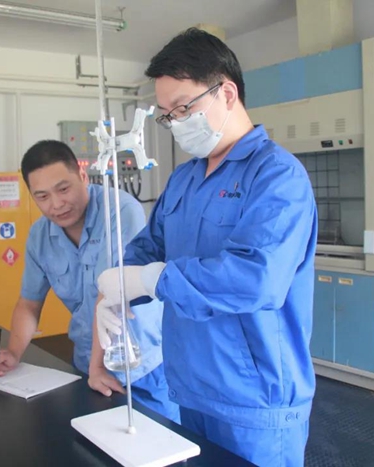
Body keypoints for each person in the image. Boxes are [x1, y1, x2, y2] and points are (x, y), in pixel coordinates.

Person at [95, 28, 317, 466]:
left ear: (227, 93)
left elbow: (256, 279)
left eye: (183, 108)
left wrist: (151, 280)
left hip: (254, 401)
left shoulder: (276, 175)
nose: (176, 123)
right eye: (167, 115)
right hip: (191, 389)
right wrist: (115, 286)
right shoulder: (184, 179)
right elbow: (151, 247)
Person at [0, 140, 179, 423]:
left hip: (142, 363)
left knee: (159, 439)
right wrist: (12, 353)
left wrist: (98, 367)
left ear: (83, 176)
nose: (56, 204)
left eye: (64, 189)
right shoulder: (40, 236)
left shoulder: (120, 210)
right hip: (87, 362)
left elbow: (110, 293)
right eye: (42, 196)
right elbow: (29, 303)